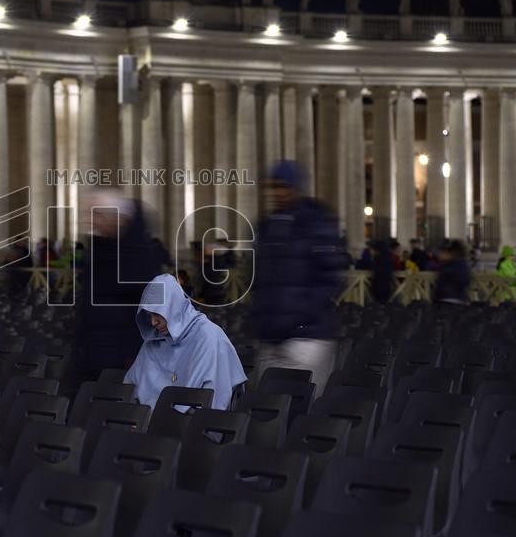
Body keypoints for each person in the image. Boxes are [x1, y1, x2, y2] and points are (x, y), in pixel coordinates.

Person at [249, 161, 348, 395]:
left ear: (296, 188)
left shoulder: (317, 223)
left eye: (282, 186)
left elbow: (331, 278)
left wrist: (298, 317)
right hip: (270, 339)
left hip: (308, 338)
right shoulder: (266, 227)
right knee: (266, 415)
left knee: (300, 414)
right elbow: (258, 279)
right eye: (272, 187)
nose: (277, 193)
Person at [74, 190, 168, 379]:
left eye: (98, 215)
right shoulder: (98, 249)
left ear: (118, 218)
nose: (91, 221)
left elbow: (149, 308)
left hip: (124, 355)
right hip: (93, 350)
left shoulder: (139, 256)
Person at [124, 274, 247, 410]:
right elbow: (129, 390)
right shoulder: (154, 339)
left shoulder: (209, 337)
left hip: (193, 426)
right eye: (149, 315)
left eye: (158, 313)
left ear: (173, 307)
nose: (153, 322)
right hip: (147, 424)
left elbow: (213, 406)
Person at [435, 239, 470, 305]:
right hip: (447, 300)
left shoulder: (457, 266)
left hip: (452, 300)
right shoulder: (446, 265)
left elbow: (463, 282)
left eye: (443, 252)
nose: (440, 255)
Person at [370, 239, 394, 304]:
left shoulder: (378, 259)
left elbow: (377, 274)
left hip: (379, 289)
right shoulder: (388, 258)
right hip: (386, 288)